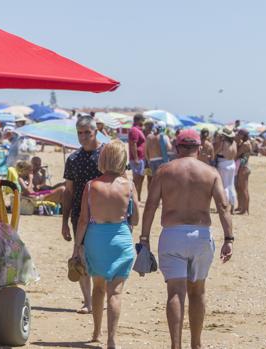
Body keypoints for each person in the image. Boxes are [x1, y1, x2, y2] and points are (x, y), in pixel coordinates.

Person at [140, 129, 234, 349]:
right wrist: (229, 238)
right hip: (200, 236)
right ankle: (196, 344)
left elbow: (151, 205)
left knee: (175, 292)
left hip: (172, 235)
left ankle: (175, 345)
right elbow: (223, 206)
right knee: (198, 291)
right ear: (199, 148)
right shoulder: (210, 173)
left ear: (177, 147)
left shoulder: (164, 171)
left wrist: (144, 238)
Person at [72, 140, 138, 348]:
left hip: (96, 239)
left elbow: (83, 219)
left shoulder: (92, 186)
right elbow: (135, 219)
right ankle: (112, 339)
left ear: (103, 159)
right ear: (122, 160)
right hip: (121, 239)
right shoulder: (129, 186)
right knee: (116, 292)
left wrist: (77, 247)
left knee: (98, 288)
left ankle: (96, 331)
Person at [61, 116, 103, 314]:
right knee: (81, 259)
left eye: (87, 132)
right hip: (79, 216)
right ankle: (88, 301)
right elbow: (68, 192)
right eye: (80, 132)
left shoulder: (107, 155)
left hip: (104, 215)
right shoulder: (73, 159)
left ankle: (99, 298)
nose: (84, 136)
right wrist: (64, 221)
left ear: (96, 131)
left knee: (101, 261)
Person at [214, 127, 238, 210]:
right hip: (232, 163)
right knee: (231, 185)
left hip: (223, 163)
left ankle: (224, 205)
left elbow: (216, 152)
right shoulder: (234, 142)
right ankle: (232, 206)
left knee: (224, 186)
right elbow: (235, 153)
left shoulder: (223, 143)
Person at [128, 114, 147, 201]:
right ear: (138, 120)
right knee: (136, 180)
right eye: (142, 120)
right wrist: (136, 158)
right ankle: (132, 199)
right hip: (137, 158)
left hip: (140, 158)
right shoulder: (134, 130)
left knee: (139, 180)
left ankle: (136, 198)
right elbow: (133, 144)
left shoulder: (137, 130)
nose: (143, 122)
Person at [235, 129, 252, 215]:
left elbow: (236, 154)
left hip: (244, 168)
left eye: (239, 134)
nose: (238, 135)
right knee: (239, 188)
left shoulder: (245, 144)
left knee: (244, 189)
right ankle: (241, 207)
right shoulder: (245, 142)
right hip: (242, 167)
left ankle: (245, 209)